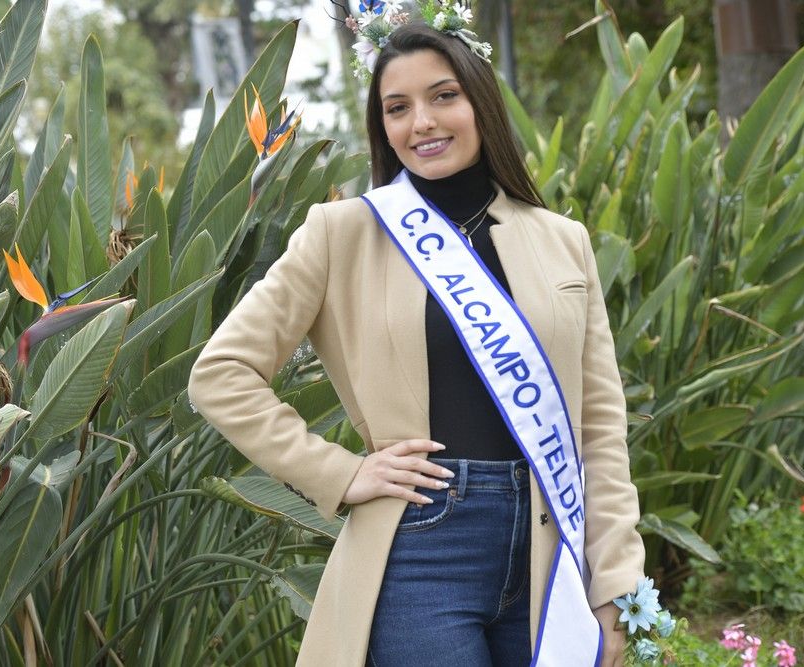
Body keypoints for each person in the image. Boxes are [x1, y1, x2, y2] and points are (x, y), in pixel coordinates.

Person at [188, 3, 646, 666]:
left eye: (443, 96)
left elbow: (599, 430)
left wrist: (615, 582)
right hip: (423, 541)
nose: (421, 122)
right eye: (397, 107)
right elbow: (221, 373)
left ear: (480, 102)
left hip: (552, 549)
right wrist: (340, 472)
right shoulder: (341, 234)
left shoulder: (562, 241)